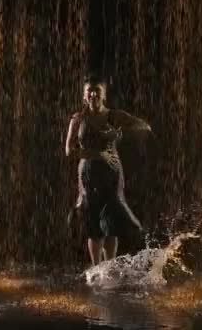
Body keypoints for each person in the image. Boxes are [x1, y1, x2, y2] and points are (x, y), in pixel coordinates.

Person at [65, 74, 152, 266]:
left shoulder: (115, 116)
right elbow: (69, 151)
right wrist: (98, 155)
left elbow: (144, 126)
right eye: (90, 92)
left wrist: (121, 134)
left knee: (111, 220)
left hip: (111, 175)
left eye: (98, 91)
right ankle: (97, 268)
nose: (94, 94)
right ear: (84, 96)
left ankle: (109, 266)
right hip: (88, 175)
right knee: (93, 221)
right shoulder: (77, 120)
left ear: (104, 96)